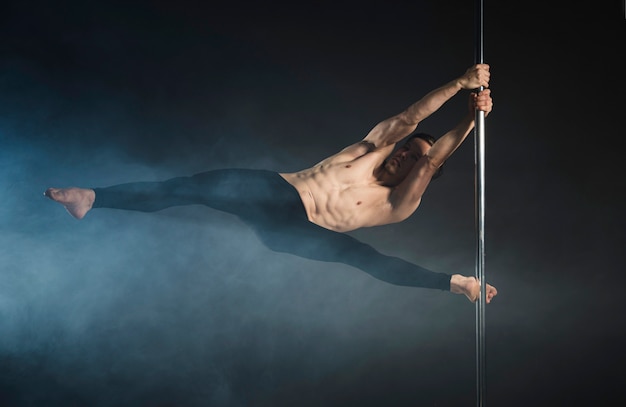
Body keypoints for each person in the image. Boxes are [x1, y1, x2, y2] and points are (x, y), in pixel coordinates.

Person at [45, 64, 497, 303]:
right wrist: (460, 84)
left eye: (414, 158)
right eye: (405, 147)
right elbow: (411, 116)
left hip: (300, 230)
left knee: (368, 260)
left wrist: (473, 116)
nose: (404, 153)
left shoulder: (401, 201)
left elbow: (432, 158)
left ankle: (457, 284)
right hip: (274, 190)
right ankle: (92, 198)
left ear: (426, 172)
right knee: (188, 187)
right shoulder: (369, 149)